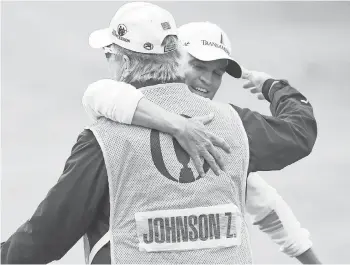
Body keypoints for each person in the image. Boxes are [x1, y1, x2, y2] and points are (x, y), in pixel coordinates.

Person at [0, 2, 318, 264]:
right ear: (175, 56)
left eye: (108, 55)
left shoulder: (104, 140)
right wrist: (274, 88)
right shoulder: (234, 125)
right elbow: (299, 133)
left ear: (123, 61)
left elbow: (47, 236)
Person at [82, 21, 321, 264]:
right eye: (197, 66)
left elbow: (266, 205)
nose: (207, 79)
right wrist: (177, 124)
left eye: (217, 73)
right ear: (172, 60)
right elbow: (98, 94)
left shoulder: (218, 132)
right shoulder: (120, 113)